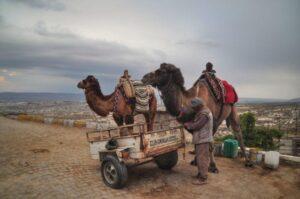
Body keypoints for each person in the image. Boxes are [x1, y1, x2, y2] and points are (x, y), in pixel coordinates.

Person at [184, 98, 213, 185]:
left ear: (198, 106)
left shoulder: (204, 114)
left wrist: (188, 125)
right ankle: (201, 174)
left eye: (194, 107)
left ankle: (203, 178)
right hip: (202, 138)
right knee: (201, 158)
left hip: (203, 139)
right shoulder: (203, 111)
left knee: (202, 158)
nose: (193, 109)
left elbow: (197, 125)